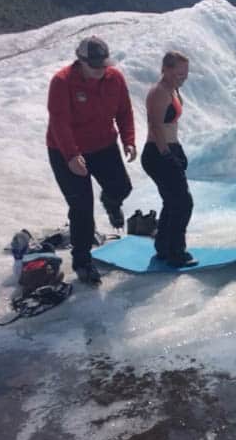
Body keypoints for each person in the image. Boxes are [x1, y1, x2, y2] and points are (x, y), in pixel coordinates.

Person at [47, 36, 137, 285]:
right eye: (95, 66)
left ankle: (110, 201)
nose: (100, 70)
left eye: (103, 65)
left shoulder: (114, 78)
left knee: (122, 187)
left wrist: (129, 140)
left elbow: (124, 111)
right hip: (66, 150)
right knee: (82, 208)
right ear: (81, 61)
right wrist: (72, 156)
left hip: (104, 145)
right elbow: (59, 123)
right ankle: (82, 261)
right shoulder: (62, 82)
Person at [140, 51, 196, 267]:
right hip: (157, 152)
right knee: (183, 203)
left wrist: (178, 149)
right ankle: (176, 252)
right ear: (165, 69)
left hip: (168, 148)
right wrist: (166, 154)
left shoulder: (173, 90)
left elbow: (170, 126)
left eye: (185, 73)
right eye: (178, 73)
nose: (182, 77)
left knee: (172, 201)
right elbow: (155, 126)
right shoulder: (159, 92)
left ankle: (163, 247)